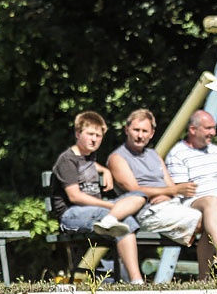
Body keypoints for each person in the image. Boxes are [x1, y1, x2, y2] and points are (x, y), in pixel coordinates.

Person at [49, 111, 147, 284]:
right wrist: (109, 207)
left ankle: (133, 278)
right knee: (125, 219)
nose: (94, 139)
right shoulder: (67, 160)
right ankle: (136, 280)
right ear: (78, 134)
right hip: (71, 215)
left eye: (98, 136)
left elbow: (89, 164)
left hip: (96, 212)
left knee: (139, 195)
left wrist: (105, 170)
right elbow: (75, 196)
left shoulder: (88, 157)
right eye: (90, 134)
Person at [108, 108, 202, 251]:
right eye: (136, 130)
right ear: (127, 130)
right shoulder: (118, 158)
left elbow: (170, 186)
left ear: (151, 134)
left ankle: (216, 263)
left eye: (144, 131)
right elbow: (135, 191)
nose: (140, 136)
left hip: (170, 204)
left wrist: (168, 193)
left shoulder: (153, 155)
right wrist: (171, 190)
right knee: (206, 221)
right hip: (147, 211)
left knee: (214, 210)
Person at [164, 110, 217, 280]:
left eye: (213, 128)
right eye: (208, 128)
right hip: (192, 207)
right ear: (192, 129)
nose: (213, 133)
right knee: (212, 205)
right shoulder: (177, 154)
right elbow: (183, 191)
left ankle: (204, 279)